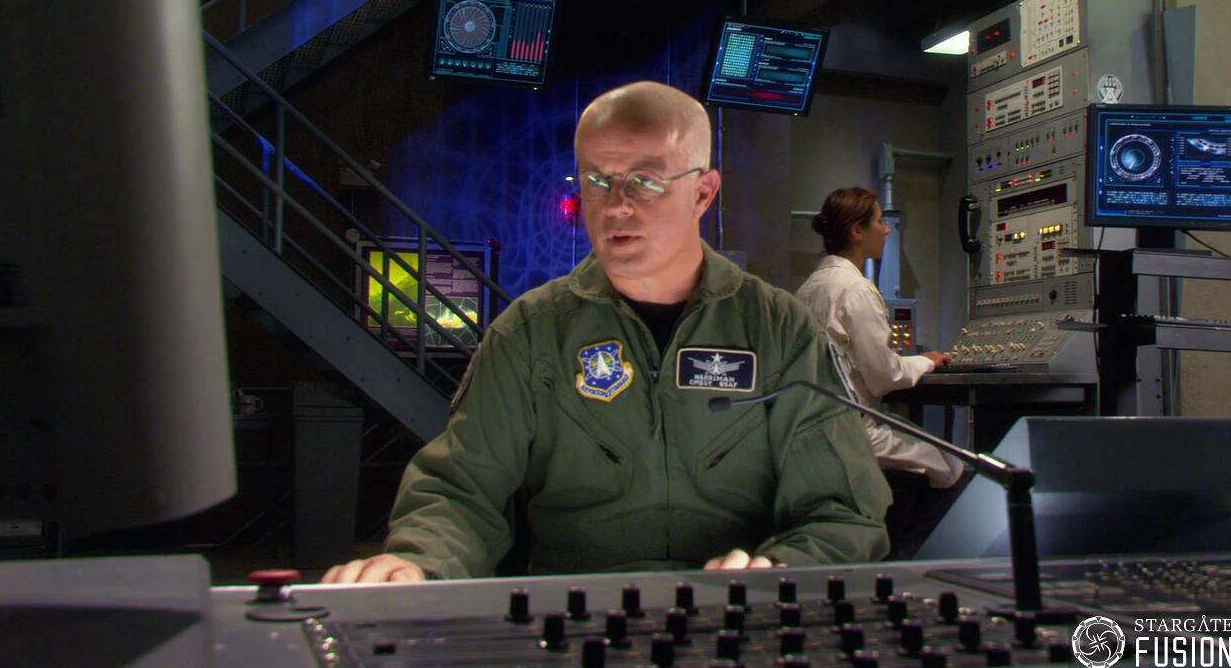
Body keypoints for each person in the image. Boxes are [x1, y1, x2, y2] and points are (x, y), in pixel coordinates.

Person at [323, 82, 892, 583]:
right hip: (572, 614)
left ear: (703, 192)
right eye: (597, 180)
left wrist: (782, 569)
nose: (616, 206)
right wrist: (419, 562)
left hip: (737, 611)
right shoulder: (531, 332)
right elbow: (460, 489)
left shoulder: (777, 329)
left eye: (644, 180)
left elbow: (841, 511)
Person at [794, 187, 964, 560]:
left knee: (926, 452)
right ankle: (905, 563)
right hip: (851, 434)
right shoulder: (855, 290)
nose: (887, 230)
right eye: (879, 221)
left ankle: (892, 553)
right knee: (953, 469)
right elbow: (884, 376)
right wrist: (925, 361)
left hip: (809, 436)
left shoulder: (808, 288)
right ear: (857, 231)